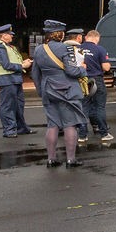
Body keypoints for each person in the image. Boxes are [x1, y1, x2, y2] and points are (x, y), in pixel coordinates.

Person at [30, 20, 89, 168]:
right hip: (66, 91)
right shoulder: (66, 48)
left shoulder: (38, 50)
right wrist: (82, 69)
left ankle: (51, 159)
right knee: (70, 125)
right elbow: (72, 71)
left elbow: (35, 74)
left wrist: (41, 90)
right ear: (61, 34)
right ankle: (71, 159)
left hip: (48, 90)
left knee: (52, 125)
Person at [0, 23, 34, 138]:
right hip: (7, 80)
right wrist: (23, 66)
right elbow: (7, 65)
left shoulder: (6, 47)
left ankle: (20, 127)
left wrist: (22, 63)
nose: (12, 36)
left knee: (18, 105)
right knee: (8, 106)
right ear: (3, 36)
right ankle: (9, 129)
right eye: (9, 34)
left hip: (14, 79)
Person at [82, 29, 113, 141]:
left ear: (86, 37)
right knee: (99, 107)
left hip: (82, 81)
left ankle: (82, 135)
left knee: (84, 107)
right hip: (96, 80)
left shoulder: (78, 49)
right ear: (97, 38)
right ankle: (104, 133)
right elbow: (106, 67)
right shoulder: (100, 49)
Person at [64, 28, 90, 142]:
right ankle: (83, 133)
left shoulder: (61, 49)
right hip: (78, 82)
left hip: (63, 83)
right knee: (81, 108)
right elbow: (82, 65)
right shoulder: (79, 50)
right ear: (78, 37)